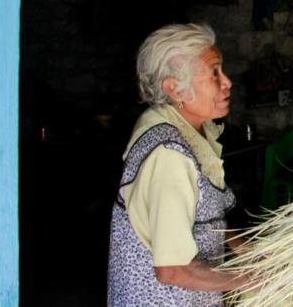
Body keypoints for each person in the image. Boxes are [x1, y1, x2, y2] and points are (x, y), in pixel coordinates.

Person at [107, 23, 250, 306]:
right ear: (175, 89)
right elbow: (173, 268)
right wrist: (252, 278)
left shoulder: (185, 127)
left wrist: (242, 247)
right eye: (214, 73)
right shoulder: (169, 156)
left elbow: (201, 217)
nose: (227, 82)